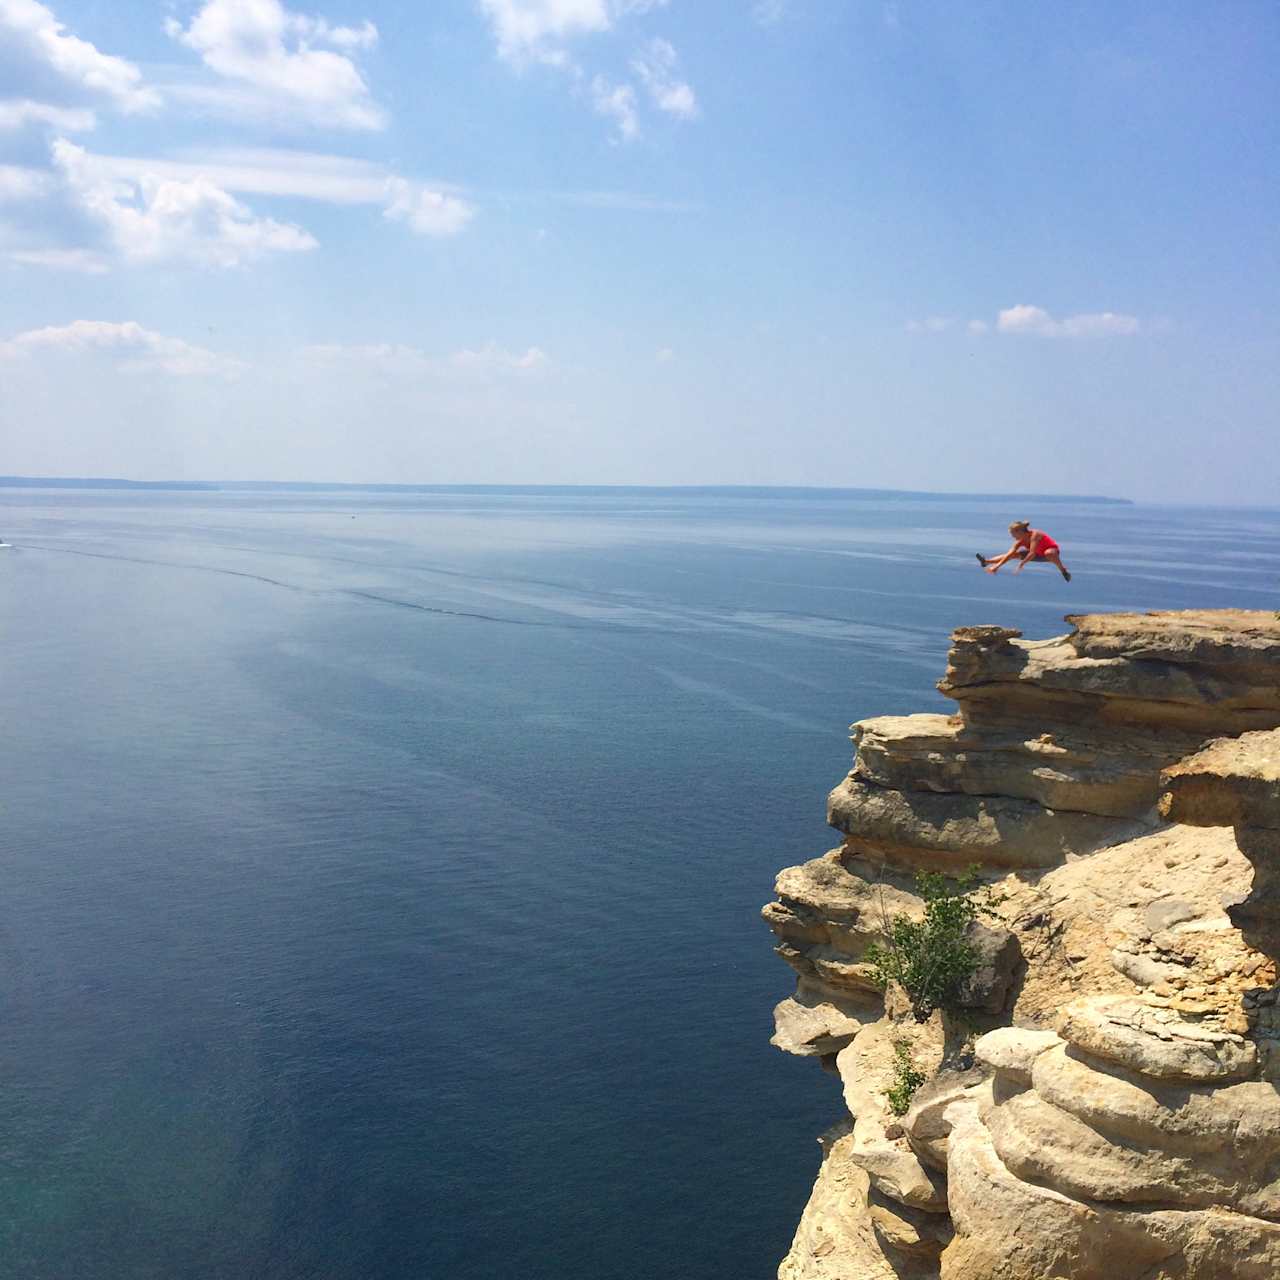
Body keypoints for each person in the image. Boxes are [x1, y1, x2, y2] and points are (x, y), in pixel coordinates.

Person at [977, 520, 1071, 581]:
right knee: (1014, 555)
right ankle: (986, 562)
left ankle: (1063, 570)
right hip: (1037, 554)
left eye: (1013, 534)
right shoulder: (1020, 541)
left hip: (1049, 553)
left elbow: (1032, 553)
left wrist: (1022, 563)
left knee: (1049, 553)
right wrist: (996, 567)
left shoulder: (1035, 535)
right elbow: (1009, 555)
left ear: (1020, 532)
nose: (1013, 537)